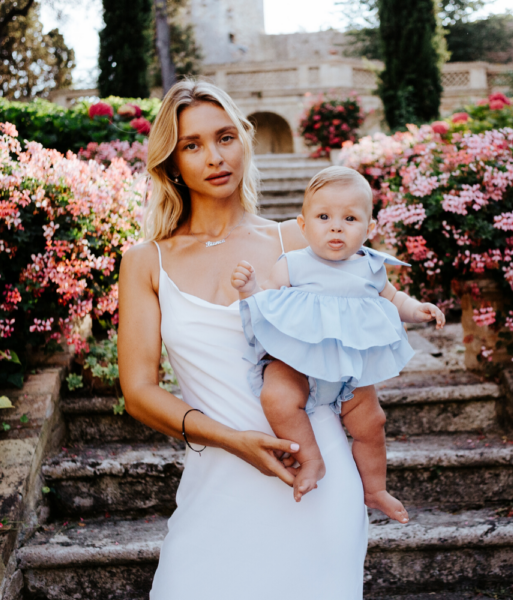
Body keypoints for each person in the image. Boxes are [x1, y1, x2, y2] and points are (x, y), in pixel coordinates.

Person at [118, 81, 368, 600]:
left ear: (244, 141)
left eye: (225, 137)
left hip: (315, 483)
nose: (214, 157)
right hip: (218, 479)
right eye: (192, 145)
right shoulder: (146, 261)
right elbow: (139, 391)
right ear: (171, 162)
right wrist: (235, 442)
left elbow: (362, 337)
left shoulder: (297, 241)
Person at [231, 167, 446, 520]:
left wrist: (417, 309)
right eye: (324, 217)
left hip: (349, 371)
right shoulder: (294, 264)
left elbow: (394, 298)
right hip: (297, 363)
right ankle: (312, 459)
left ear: (369, 228)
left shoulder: (370, 267)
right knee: (278, 398)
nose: (336, 226)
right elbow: (267, 301)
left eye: (350, 218)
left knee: (372, 423)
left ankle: (375, 489)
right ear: (303, 225)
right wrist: (250, 289)